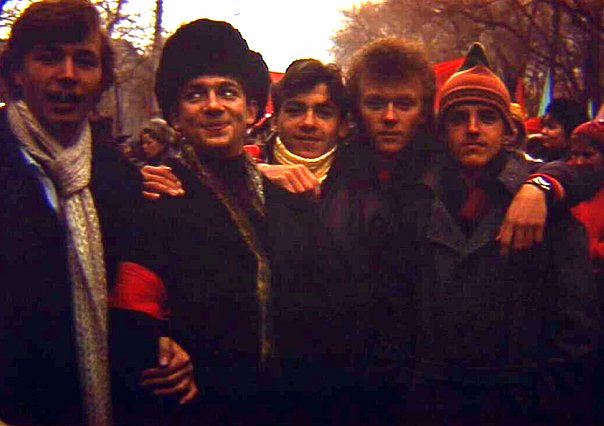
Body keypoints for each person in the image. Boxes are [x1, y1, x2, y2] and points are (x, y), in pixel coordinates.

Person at [109, 19, 344, 425]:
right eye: (195, 94)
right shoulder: (156, 200)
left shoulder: (288, 201)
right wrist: (155, 347)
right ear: (175, 116)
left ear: (251, 110)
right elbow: (132, 311)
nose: (214, 105)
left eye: (227, 92)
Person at [0, 1, 195, 424]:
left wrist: (163, 341)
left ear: (102, 79)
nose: (68, 74)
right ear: (16, 72)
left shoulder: (119, 177)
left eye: (84, 61)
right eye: (49, 57)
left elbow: (137, 288)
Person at [389, 43, 599, 424]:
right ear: (442, 131)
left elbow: (577, 333)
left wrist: (543, 405)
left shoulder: (545, 206)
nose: (472, 129)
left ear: (507, 131)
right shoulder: (413, 204)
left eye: (486, 117)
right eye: (459, 118)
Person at [529, 97, 589, 162]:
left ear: (570, 132)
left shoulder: (578, 162)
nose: (543, 131)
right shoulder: (537, 149)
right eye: (544, 126)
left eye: (551, 127)